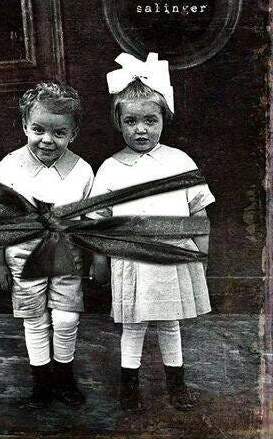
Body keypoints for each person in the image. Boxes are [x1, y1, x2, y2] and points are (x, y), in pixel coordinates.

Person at [89, 53, 214, 411]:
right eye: (131, 121)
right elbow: (99, 219)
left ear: (164, 119)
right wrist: (99, 260)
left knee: (169, 322)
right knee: (135, 323)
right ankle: (130, 386)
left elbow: (199, 213)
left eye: (150, 120)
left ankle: (177, 384)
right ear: (119, 123)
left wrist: (201, 255)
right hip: (131, 258)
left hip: (174, 253)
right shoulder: (111, 168)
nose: (141, 129)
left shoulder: (180, 161)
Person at [0, 82, 93, 407]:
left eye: (59, 132)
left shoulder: (82, 171)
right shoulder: (8, 168)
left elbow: (90, 222)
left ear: (73, 133)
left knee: (65, 318)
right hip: (22, 257)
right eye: (38, 129)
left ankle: (64, 377)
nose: (47, 140)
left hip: (66, 257)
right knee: (34, 318)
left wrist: (96, 259)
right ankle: (41, 382)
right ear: (24, 126)